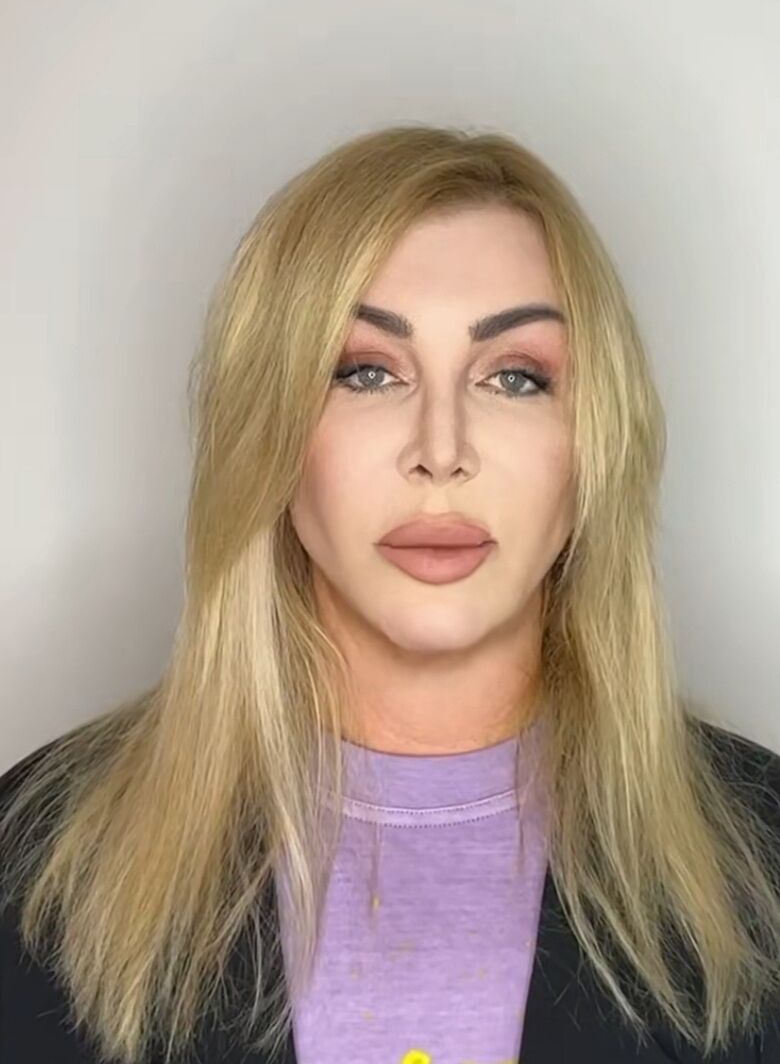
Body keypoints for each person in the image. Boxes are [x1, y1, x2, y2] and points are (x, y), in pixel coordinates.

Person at [1, 124, 779, 1064]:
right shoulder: (35, 858)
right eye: (366, 372)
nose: (440, 451)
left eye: (515, 377)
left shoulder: (764, 858)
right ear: (267, 433)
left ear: (595, 445)